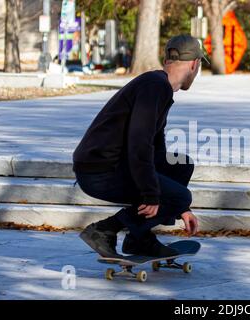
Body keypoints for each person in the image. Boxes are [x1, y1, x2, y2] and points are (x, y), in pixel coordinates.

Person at [73, 34, 207, 258]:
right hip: (100, 170)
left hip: (113, 164)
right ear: (194, 64)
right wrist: (152, 194)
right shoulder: (155, 87)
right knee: (180, 195)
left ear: (167, 60)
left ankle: (139, 238)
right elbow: (139, 144)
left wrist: (178, 207)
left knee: (181, 166)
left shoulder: (159, 86)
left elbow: (155, 147)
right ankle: (104, 230)